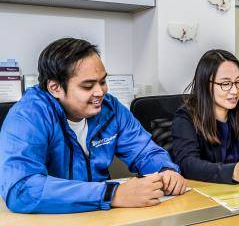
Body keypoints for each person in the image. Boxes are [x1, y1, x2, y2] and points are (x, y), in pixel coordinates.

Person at [0, 38, 188, 214]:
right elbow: (21, 189)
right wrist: (111, 194)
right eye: (88, 86)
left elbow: (145, 151)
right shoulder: (27, 116)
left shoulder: (110, 108)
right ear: (55, 87)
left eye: (103, 82)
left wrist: (165, 170)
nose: (100, 92)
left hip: (100, 215)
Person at [172, 49, 239, 184]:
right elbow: (187, 165)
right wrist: (233, 172)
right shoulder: (186, 118)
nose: (235, 91)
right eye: (225, 84)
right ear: (206, 85)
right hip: (205, 196)